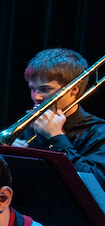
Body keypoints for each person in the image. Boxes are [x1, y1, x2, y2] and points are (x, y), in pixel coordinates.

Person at [19, 47, 105, 187]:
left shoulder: (99, 133)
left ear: (73, 90)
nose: (36, 97)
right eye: (32, 89)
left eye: (45, 89)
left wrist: (56, 138)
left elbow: (93, 183)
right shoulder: (31, 127)